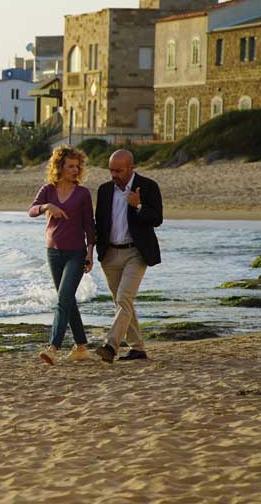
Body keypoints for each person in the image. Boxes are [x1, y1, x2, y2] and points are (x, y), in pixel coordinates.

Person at [93, 149, 163, 363]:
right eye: (111, 170)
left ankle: (110, 346)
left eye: (119, 170)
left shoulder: (148, 186)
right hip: (110, 254)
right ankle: (138, 349)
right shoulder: (104, 190)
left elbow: (157, 218)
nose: (114, 174)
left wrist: (138, 205)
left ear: (131, 168)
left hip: (136, 252)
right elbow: (100, 223)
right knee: (123, 304)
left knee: (124, 299)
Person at [28, 145, 96, 365]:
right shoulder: (48, 190)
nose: (75, 170)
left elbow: (89, 226)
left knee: (63, 299)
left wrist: (90, 253)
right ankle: (81, 347)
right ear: (59, 166)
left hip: (76, 253)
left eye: (77, 166)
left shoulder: (83, 193)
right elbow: (31, 210)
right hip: (53, 253)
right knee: (68, 300)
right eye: (70, 166)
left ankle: (53, 347)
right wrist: (47, 207)